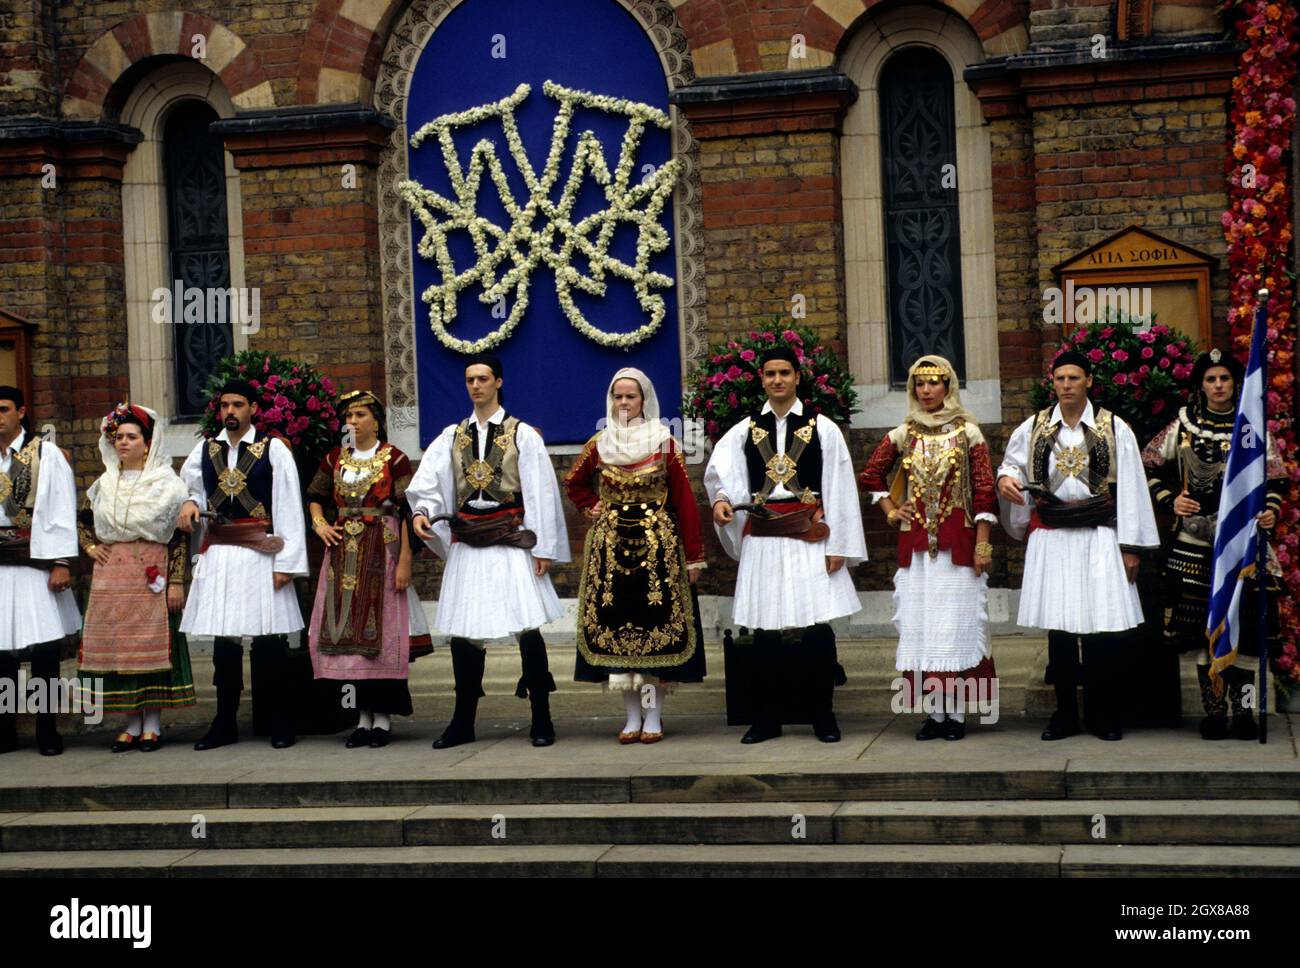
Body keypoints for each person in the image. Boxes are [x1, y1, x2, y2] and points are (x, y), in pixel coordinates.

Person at [703, 346, 866, 744]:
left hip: (809, 534)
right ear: (761, 379)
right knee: (765, 633)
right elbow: (720, 473)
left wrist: (838, 544)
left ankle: (822, 714)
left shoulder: (822, 427)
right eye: (770, 373)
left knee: (816, 629)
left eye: (785, 373)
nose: (777, 380)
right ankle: (767, 718)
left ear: (797, 377)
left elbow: (841, 487)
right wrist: (723, 501)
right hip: (763, 537)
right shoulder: (744, 429)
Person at [407, 355, 570, 748]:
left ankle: (541, 718)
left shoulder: (521, 434)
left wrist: (543, 547)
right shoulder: (452, 435)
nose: (476, 386)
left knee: (526, 629)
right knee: (465, 636)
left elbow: (541, 492)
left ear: (498, 381)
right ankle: (463, 721)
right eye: (469, 380)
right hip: (469, 541)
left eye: (483, 378)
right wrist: (421, 513)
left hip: (511, 540)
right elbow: (427, 483)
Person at [998, 350, 1159, 741]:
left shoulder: (1113, 427)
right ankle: (1065, 715)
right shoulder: (1034, 427)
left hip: (1099, 536)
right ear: (1052, 383)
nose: (1066, 385)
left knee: (1101, 628)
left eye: (1074, 378)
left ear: (1088, 381)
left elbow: (1134, 487)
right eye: (1060, 379)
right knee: (1061, 632)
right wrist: (1005, 480)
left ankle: (1103, 716)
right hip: (1054, 538)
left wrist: (1131, 545)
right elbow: (1010, 466)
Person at [1142, 348, 1286, 740]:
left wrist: (1270, 511)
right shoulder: (1183, 426)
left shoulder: (1251, 426)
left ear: (1235, 383)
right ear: (1200, 384)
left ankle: (1243, 714)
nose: (1218, 385)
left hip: (1243, 544)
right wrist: (1171, 500)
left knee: (1245, 627)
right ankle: (1213, 712)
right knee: (1205, 629)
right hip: (1194, 543)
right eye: (1211, 379)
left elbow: (1276, 479)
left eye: (1224, 378)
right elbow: (1146, 465)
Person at [858, 355, 998, 741]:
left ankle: (956, 715)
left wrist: (983, 544)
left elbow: (985, 490)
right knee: (923, 627)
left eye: (934, 383)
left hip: (959, 543)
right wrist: (890, 510)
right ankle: (934, 715)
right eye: (920, 384)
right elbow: (870, 475)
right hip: (917, 546)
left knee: (955, 625)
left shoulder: (969, 433)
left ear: (949, 386)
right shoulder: (904, 433)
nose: (927, 391)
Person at [564, 368, 707, 744]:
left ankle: (654, 716)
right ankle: (631, 717)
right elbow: (574, 482)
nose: (623, 403)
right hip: (610, 553)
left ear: (644, 400)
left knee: (654, 633)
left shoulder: (664, 443)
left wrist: (693, 556)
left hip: (657, 550)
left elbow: (685, 502)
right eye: (618, 396)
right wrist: (591, 507)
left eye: (631, 396)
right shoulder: (600, 444)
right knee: (617, 633)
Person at [177, 379, 308, 750]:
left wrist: (287, 564)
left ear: (252, 408)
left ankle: (278, 720)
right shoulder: (205, 448)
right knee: (225, 641)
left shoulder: (273, 450)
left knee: (269, 640)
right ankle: (225, 721)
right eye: (224, 406)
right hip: (220, 553)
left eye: (237, 405)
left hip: (261, 553)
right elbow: (191, 491)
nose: (230, 412)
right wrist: (188, 503)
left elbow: (287, 506)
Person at [306, 389, 431, 748]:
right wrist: (320, 524)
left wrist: (405, 559)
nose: (353, 422)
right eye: (348, 416)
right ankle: (361, 717)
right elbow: (315, 496)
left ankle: (384, 719)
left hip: (383, 548)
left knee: (383, 632)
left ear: (376, 420)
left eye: (360, 415)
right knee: (348, 634)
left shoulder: (396, 460)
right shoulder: (334, 459)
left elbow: (409, 510)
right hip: (343, 552)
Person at [78, 403, 196, 751]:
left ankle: (153, 724)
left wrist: (176, 581)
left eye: (131, 437)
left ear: (148, 442)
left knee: (152, 648)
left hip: (152, 574)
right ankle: (130, 723)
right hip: (112, 578)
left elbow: (179, 536)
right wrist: (89, 549)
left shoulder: (168, 484)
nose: (123, 443)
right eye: (118, 437)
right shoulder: (104, 483)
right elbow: (84, 522)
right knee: (120, 652)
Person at [0, 386, 80, 756]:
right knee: (2, 654)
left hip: (34, 559)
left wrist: (62, 562)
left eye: (3, 409)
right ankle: (5, 731)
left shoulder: (46, 454)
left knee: (45, 650)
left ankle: (48, 730)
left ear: (21, 412)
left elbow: (62, 508)